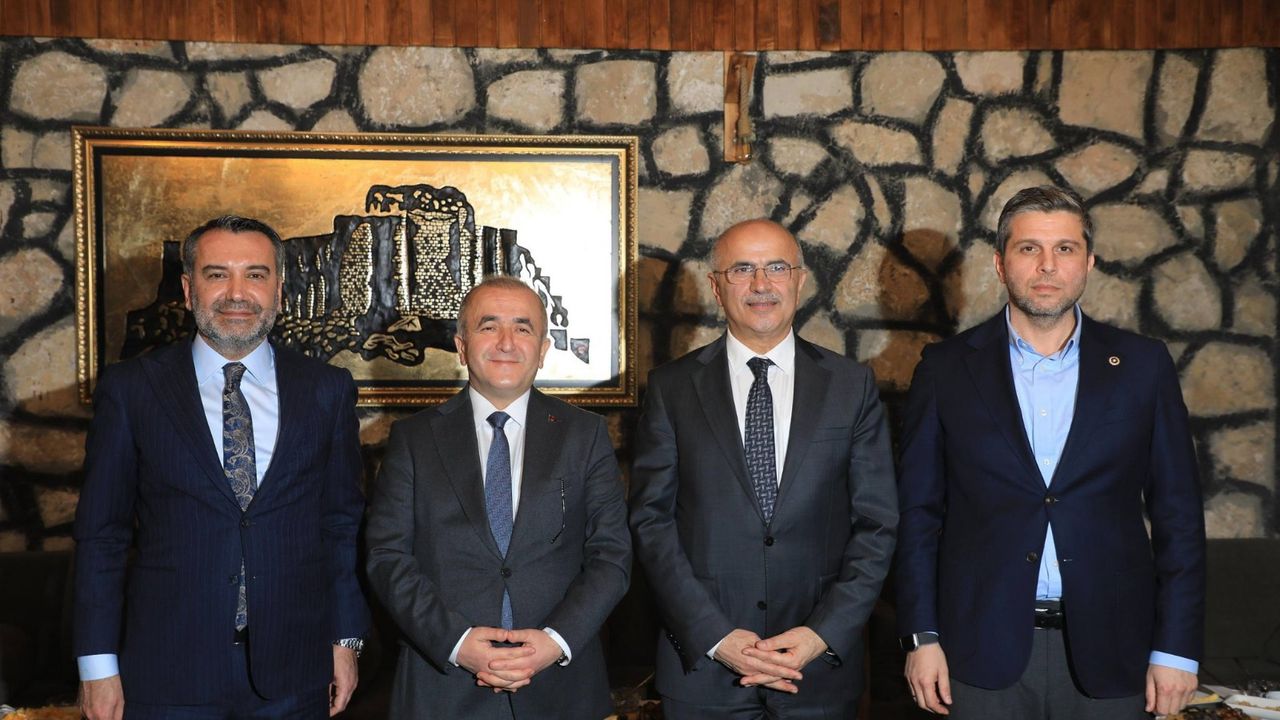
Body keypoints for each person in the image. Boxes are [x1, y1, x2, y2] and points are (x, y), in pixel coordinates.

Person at [895, 185, 1206, 719]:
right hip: (976, 654)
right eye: (1028, 248)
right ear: (1000, 263)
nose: (1047, 265)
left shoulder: (1143, 366)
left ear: (1088, 262)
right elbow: (916, 516)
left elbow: (1179, 517)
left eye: (1064, 248)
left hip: (1114, 652)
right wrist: (921, 637)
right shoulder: (944, 369)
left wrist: (1176, 649)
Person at [74, 216, 370, 720]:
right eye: (217, 274)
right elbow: (102, 535)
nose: (237, 293)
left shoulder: (327, 389)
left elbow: (339, 526)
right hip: (166, 673)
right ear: (189, 290)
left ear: (279, 289)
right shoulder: (132, 389)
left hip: (295, 675)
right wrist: (96, 666)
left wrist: (346, 639)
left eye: (255, 275)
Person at [629, 219, 899, 719]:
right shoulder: (671, 389)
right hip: (703, 671)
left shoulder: (851, 386)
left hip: (817, 672)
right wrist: (715, 636)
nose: (761, 284)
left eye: (776, 267)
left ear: (799, 280)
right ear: (716, 286)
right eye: (742, 269)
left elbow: (877, 525)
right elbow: (651, 523)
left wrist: (820, 634)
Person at [364, 276, 631, 720]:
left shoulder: (585, 436)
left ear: (543, 350)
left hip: (560, 688)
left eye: (523, 328)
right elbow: (387, 557)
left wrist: (555, 641)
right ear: (461, 346)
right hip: (442, 688)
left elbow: (612, 555)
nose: (506, 342)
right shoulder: (413, 439)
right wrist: (456, 643)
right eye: (488, 327)